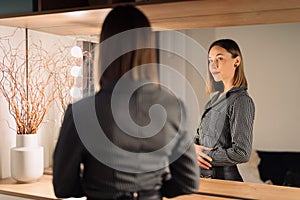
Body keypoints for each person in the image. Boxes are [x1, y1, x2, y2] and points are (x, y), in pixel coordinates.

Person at [53, 5, 199, 200]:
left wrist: (97, 189)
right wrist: (152, 191)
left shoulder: (81, 112)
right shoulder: (174, 108)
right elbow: (189, 181)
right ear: (148, 48)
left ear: (104, 49)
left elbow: (63, 187)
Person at [194, 39, 255, 181]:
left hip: (224, 181)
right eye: (210, 60)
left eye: (219, 58)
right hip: (202, 179)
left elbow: (241, 153)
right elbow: (200, 138)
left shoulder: (241, 101)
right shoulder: (215, 99)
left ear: (237, 61)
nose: (213, 65)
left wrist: (203, 155)